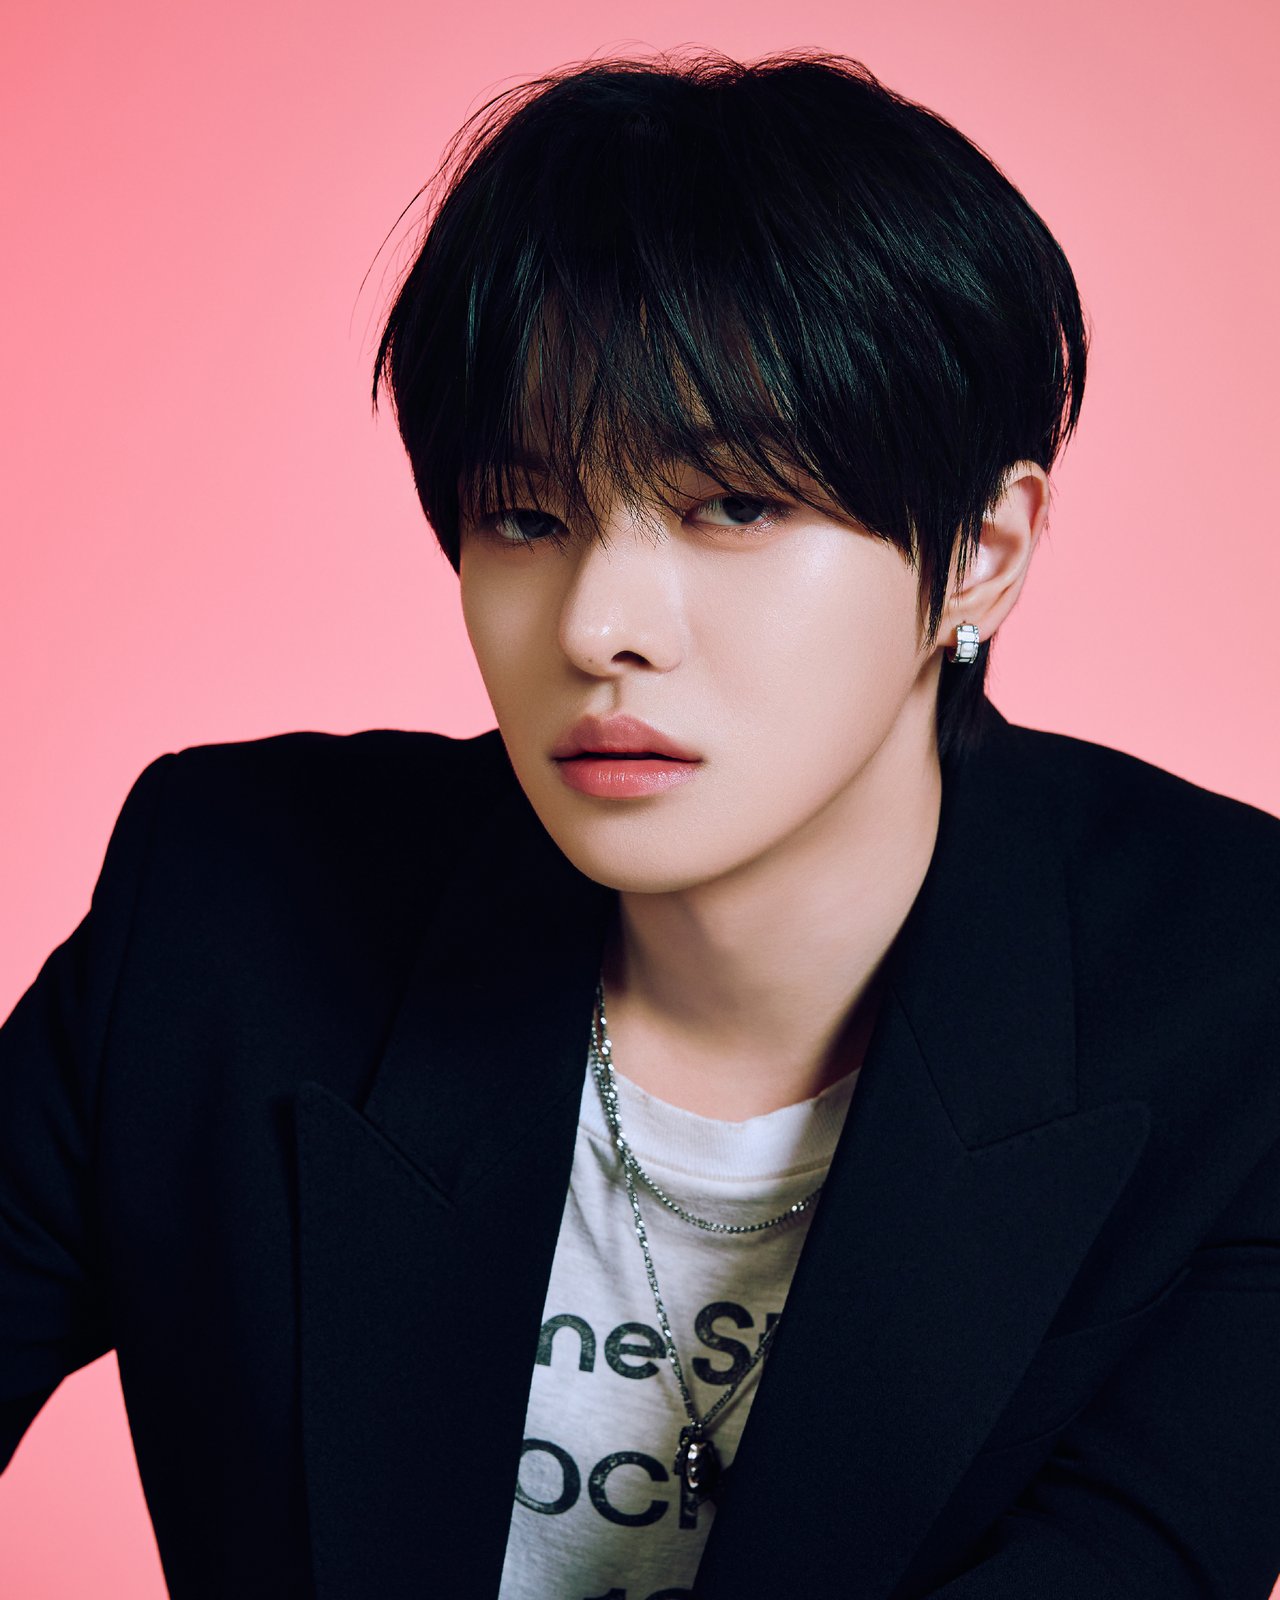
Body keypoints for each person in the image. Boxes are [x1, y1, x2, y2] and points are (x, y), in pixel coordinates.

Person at [2, 44, 1279, 1600]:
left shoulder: (1237, 1003)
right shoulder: (228, 908)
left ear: (983, 553)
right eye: (526, 516)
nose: (599, 625)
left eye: (735, 505)